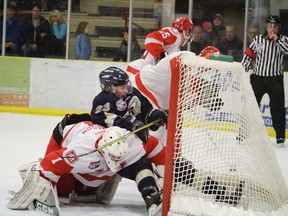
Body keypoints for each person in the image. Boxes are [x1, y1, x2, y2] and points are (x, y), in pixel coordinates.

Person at [7, 119, 163, 215]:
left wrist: (170, 178)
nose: (116, 161)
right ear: (102, 149)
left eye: (119, 157)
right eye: (114, 157)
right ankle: (30, 169)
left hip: (97, 140)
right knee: (63, 189)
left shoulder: (133, 142)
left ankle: (150, 196)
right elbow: (50, 163)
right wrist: (42, 177)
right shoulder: (80, 151)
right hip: (67, 135)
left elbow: (162, 154)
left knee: (140, 164)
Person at [90, 67, 168, 186]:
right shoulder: (102, 100)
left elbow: (146, 111)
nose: (126, 89)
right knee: (142, 166)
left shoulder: (133, 94)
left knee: (162, 158)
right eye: (122, 87)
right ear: (109, 88)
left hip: (138, 142)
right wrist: (129, 122)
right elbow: (100, 120)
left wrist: (154, 115)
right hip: (116, 149)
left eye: (127, 85)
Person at [241, 15, 288, 145]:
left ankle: (280, 137)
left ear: (278, 28)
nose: (272, 29)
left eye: (275, 26)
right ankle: (243, 132)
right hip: (258, 79)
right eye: (270, 26)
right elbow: (249, 55)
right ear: (266, 27)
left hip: (275, 80)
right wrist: (242, 69)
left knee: (277, 108)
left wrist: (277, 40)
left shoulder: (283, 40)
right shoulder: (258, 40)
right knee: (251, 106)